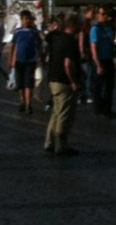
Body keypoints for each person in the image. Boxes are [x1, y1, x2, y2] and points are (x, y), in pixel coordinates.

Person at [44, 15, 81, 156]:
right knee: (64, 115)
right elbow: (68, 64)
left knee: (56, 113)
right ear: (74, 25)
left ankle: (49, 142)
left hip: (53, 79)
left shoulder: (56, 38)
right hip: (64, 81)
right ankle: (61, 145)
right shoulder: (70, 41)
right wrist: (74, 81)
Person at [9, 10, 43, 114]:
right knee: (20, 84)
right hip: (19, 61)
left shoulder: (34, 32)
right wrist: (11, 60)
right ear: (21, 19)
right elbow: (14, 46)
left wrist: (41, 57)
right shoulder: (17, 32)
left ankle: (28, 104)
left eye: (28, 19)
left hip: (30, 61)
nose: (27, 21)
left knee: (28, 84)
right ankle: (22, 102)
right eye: (25, 19)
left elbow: (39, 45)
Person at [90, 6, 116, 119]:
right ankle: (98, 109)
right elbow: (93, 48)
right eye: (103, 14)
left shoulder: (110, 28)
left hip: (108, 59)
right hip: (100, 59)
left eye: (107, 14)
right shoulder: (95, 29)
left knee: (109, 86)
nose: (106, 16)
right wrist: (98, 64)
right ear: (98, 15)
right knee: (98, 86)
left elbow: (112, 41)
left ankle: (108, 109)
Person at [78, 6, 95, 104]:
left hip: (86, 51)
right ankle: (86, 94)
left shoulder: (87, 23)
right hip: (86, 52)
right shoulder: (85, 24)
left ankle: (83, 95)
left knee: (85, 74)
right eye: (92, 12)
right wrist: (82, 51)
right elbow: (82, 36)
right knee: (87, 74)